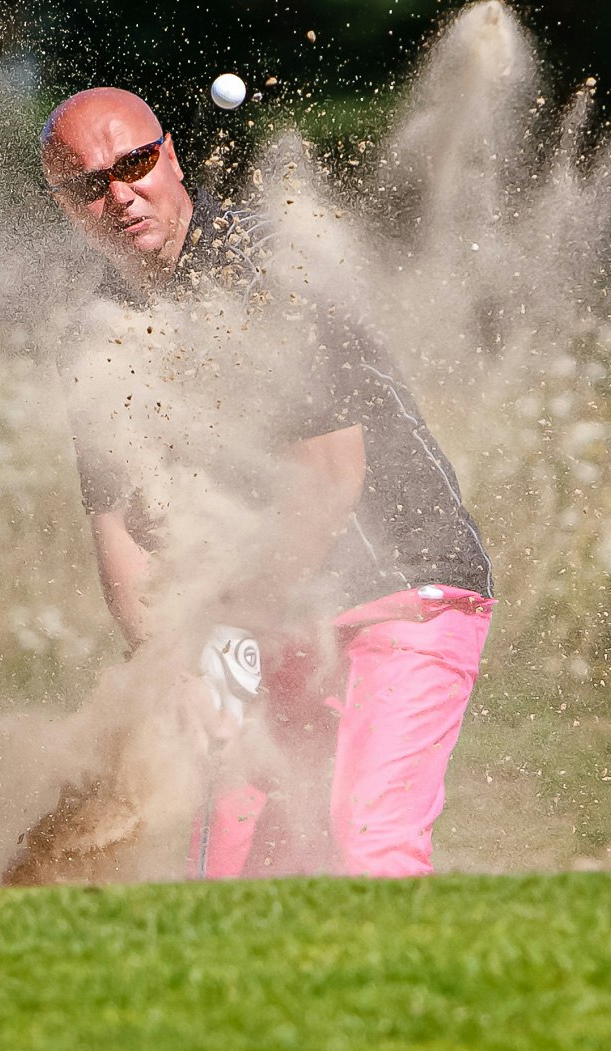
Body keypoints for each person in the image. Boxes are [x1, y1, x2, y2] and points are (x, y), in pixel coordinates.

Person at [40, 86, 495, 879]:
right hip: (257, 620)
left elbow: (327, 479)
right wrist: (178, 666)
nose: (119, 195)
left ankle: (417, 1000)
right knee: (230, 861)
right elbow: (123, 554)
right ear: (66, 206)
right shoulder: (97, 340)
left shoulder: (266, 267)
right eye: (88, 185)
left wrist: (223, 638)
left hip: (399, 587)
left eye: (135, 164)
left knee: (364, 842)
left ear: (171, 158)